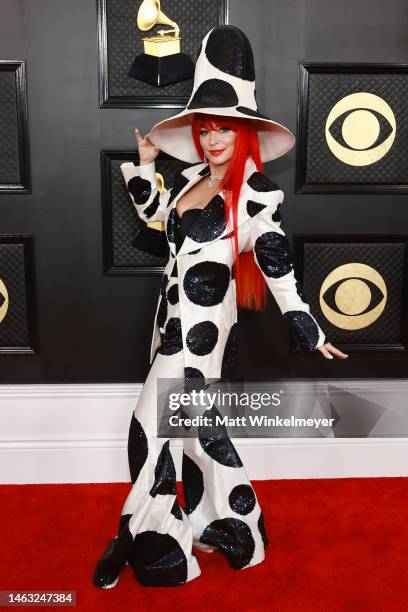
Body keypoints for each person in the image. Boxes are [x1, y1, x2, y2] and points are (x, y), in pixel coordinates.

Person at [93, 25, 348, 590]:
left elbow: (277, 264)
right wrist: (144, 168)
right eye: (205, 130)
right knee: (194, 433)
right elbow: (160, 220)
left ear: (244, 133)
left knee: (148, 427)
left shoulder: (258, 193)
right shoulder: (189, 182)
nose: (212, 140)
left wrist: (307, 327)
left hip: (204, 336)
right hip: (169, 328)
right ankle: (236, 527)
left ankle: (153, 540)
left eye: (223, 131)